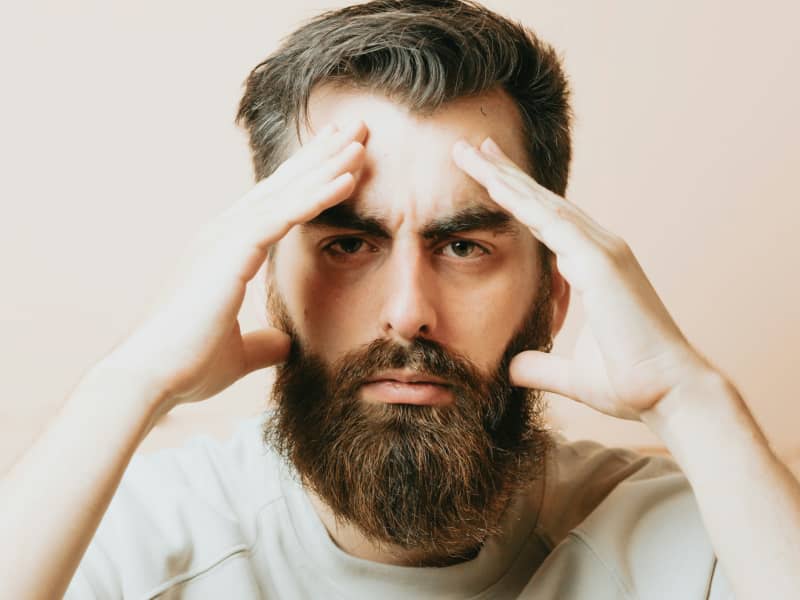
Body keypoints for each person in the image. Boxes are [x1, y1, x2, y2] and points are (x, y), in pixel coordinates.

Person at [2, 0, 798, 598]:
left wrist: (690, 399)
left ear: (555, 297)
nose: (408, 310)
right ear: (267, 280)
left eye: (464, 246)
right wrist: (131, 383)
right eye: (348, 244)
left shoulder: (700, 541)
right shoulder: (133, 535)